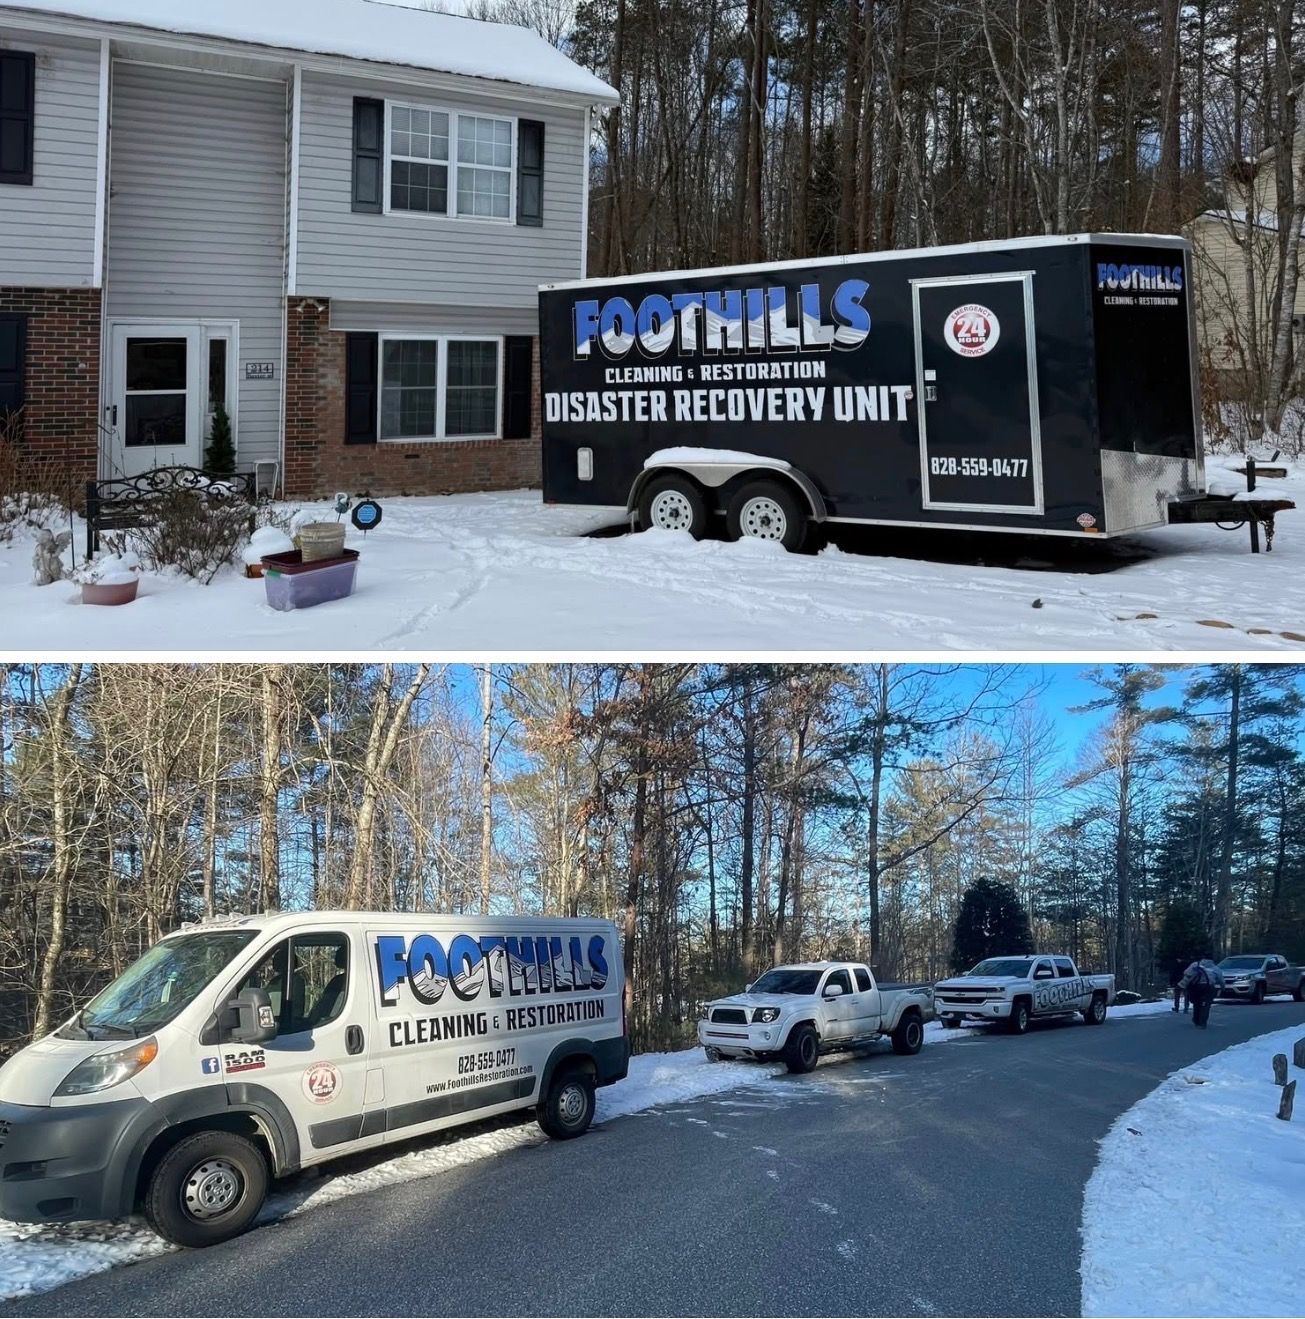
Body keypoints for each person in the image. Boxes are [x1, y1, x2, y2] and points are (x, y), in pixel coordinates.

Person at [1180, 954, 1225, 1029]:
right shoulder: (1215, 968)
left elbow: (1186, 972)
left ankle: (1196, 1019)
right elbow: (1221, 980)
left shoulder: (1195, 964)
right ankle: (1203, 1022)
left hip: (1196, 987)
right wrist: (1223, 987)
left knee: (1197, 1003)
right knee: (1206, 1005)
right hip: (1208, 987)